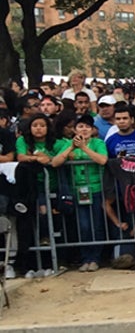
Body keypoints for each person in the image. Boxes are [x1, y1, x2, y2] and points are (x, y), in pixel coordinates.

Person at [50, 113, 107, 272]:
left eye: (87, 127)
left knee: (96, 224)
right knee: (83, 226)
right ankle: (85, 257)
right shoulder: (67, 143)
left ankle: (95, 258)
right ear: (75, 129)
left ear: (93, 129)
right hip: (77, 190)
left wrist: (84, 148)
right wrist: (71, 148)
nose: (84, 129)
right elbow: (55, 162)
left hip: (95, 189)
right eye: (80, 126)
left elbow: (102, 160)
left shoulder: (98, 143)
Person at [14, 114, 62, 277]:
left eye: (42, 125)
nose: (39, 128)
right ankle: (30, 263)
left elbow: (57, 158)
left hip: (53, 186)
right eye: (35, 125)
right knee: (33, 221)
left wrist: (47, 159)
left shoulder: (55, 142)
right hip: (31, 187)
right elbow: (21, 157)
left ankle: (51, 262)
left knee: (50, 221)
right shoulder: (22, 141)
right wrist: (38, 159)